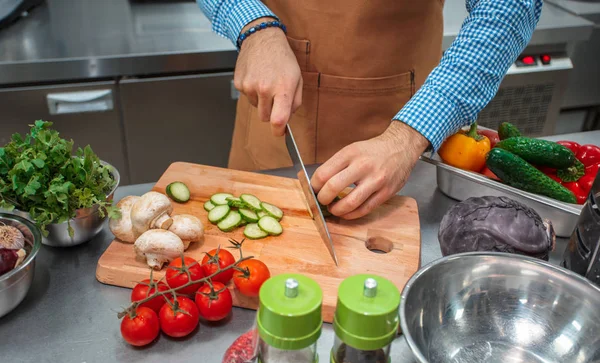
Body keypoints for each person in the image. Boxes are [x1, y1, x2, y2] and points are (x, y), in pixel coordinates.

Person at [197, 0, 542, 219]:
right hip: (276, 111)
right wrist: (253, 26)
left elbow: (508, 7)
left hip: (403, 117)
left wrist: (408, 137)